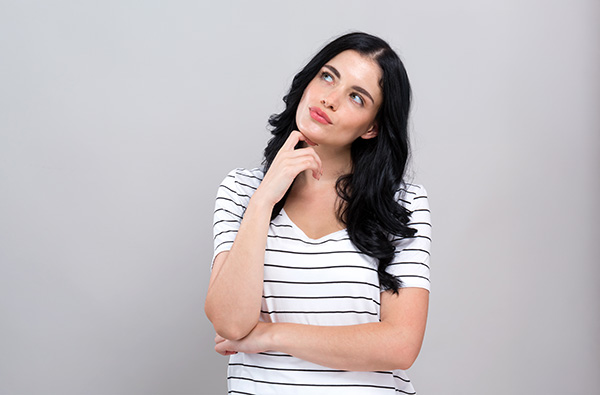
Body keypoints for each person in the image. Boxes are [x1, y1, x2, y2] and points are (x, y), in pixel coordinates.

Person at [205, 32, 431, 394]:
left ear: (372, 126)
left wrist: (270, 334)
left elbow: (400, 345)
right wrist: (263, 200)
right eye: (328, 76)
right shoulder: (241, 191)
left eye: (357, 97)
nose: (330, 99)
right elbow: (231, 323)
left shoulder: (401, 205)